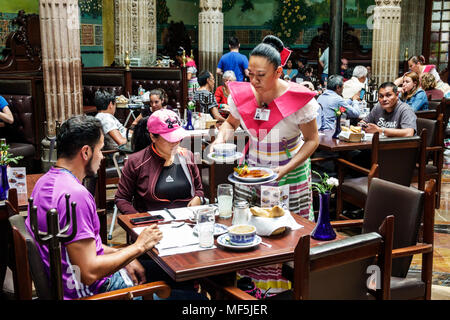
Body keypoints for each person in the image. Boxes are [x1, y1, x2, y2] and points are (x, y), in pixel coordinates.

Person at [211, 35, 320, 293]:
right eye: (250, 74)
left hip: (289, 173)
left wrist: (285, 168)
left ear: (278, 71)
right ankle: (252, 290)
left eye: (260, 75)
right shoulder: (243, 95)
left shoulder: (299, 100)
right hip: (252, 172)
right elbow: (230, 123)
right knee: (251, 230)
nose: (254, 81)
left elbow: (313, 140)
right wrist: (219, 141)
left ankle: (288, 291)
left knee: (285, 234)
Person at [24, 115, 165, 299]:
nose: (101, 156)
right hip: (95, 293)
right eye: (100, 149)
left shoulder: (43, 183)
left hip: (71, 283)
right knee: (183, 291)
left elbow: (82, 247)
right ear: (85, 152)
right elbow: (89, 272)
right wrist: (138, 247)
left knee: (155, 268)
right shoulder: (75, 195)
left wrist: (125, 256)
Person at [115, 109, 205, 214]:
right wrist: (140, 220)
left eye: (178, 138)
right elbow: (122, 199)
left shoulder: (187, 157)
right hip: (152, 225)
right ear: (153, 137)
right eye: (169, 139)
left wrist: (198, 197)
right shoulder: (135, 162)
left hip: (187, 220)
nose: (175, 142)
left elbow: (199, 189)